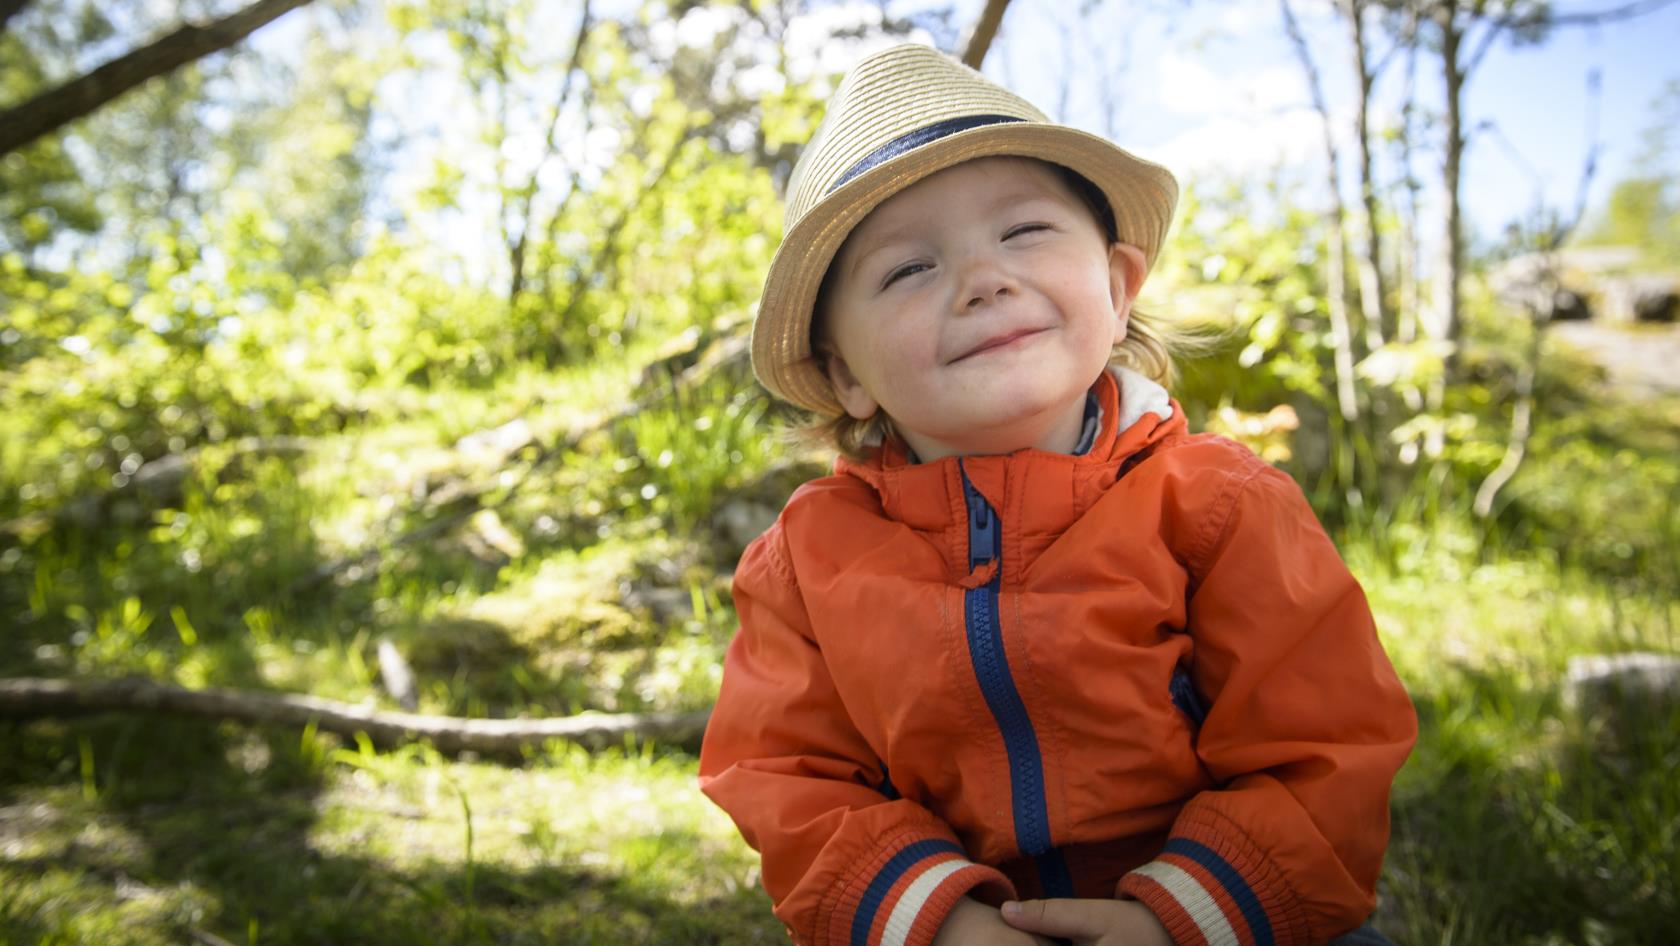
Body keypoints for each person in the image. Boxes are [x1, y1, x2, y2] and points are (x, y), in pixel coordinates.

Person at [698, 43, 1416, 946]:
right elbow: (785, 772)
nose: (982, 279)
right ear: (846, 374)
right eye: (907, 269)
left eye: (1025, 231)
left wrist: (1175, 919)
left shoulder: (1221, 506)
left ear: (1117, 290)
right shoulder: (806, 566)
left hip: (1225, 917)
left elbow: (1326, 743)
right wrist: (943, 922)